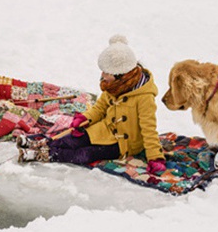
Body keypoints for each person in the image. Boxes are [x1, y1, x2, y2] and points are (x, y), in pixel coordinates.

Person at [18, 34, 166, 175]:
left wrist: (155, 157)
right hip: (104, 129)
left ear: (121, 75)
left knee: (86, 154)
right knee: (72, 139)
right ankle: (40, 144)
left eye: (106, 73)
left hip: (123, 143)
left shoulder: (144, 97)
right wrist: (85, 118)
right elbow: (100, 108)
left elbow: (149, 129)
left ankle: (44, 154)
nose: (102, 76)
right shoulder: (113, 87)